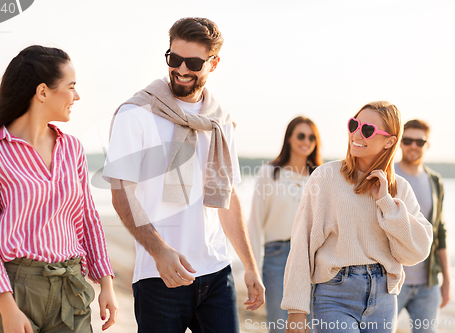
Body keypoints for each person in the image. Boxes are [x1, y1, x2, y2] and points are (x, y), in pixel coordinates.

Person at [103, 17, 264, 333]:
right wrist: (159, 252)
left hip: (216, 272)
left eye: (193, 62)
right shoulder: (136, 113)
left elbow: (227, 197)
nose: (181, 69)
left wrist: (249, 266)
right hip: (158, 274)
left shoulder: (220, 122)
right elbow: (122, 194)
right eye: (174, 59)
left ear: (213, 63)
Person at [0, 45, 118, 333]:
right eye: (71, 87)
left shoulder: (71, 149)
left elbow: (87, 218)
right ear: (43, 92)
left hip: (70, 288)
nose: (77, 96)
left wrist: (105, 282)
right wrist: (7, 307)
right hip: (13, 290)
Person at [281, 101, 433, 333]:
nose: (356, 134)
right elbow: (302, 243)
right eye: (354, 124)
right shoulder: (325, 177)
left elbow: (417, 251)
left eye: (367, 130)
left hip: (383, 298)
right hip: (334, 294)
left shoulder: (399, 188)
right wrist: (296, 309)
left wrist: (386, 203)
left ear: (390, 141)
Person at [248, 116, 322, 333]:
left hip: (313, 260)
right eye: (300, 135)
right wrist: (252, 269)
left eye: (311, 137)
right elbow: (254, 224)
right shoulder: (269, 174)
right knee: (281, 327)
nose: (306, 141)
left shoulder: (320, 177)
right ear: (289, 138)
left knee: (313, 328)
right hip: (276, 258)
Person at [395, 119, 450, 333]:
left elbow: (440, 233)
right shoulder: (388, 175)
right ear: (400, 142)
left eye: (420, 141)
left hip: (428, 284)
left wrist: (446, 279)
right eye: (408, 140)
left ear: (427, 145)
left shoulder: (435, 181)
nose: (414, 146)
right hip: (391, 281)